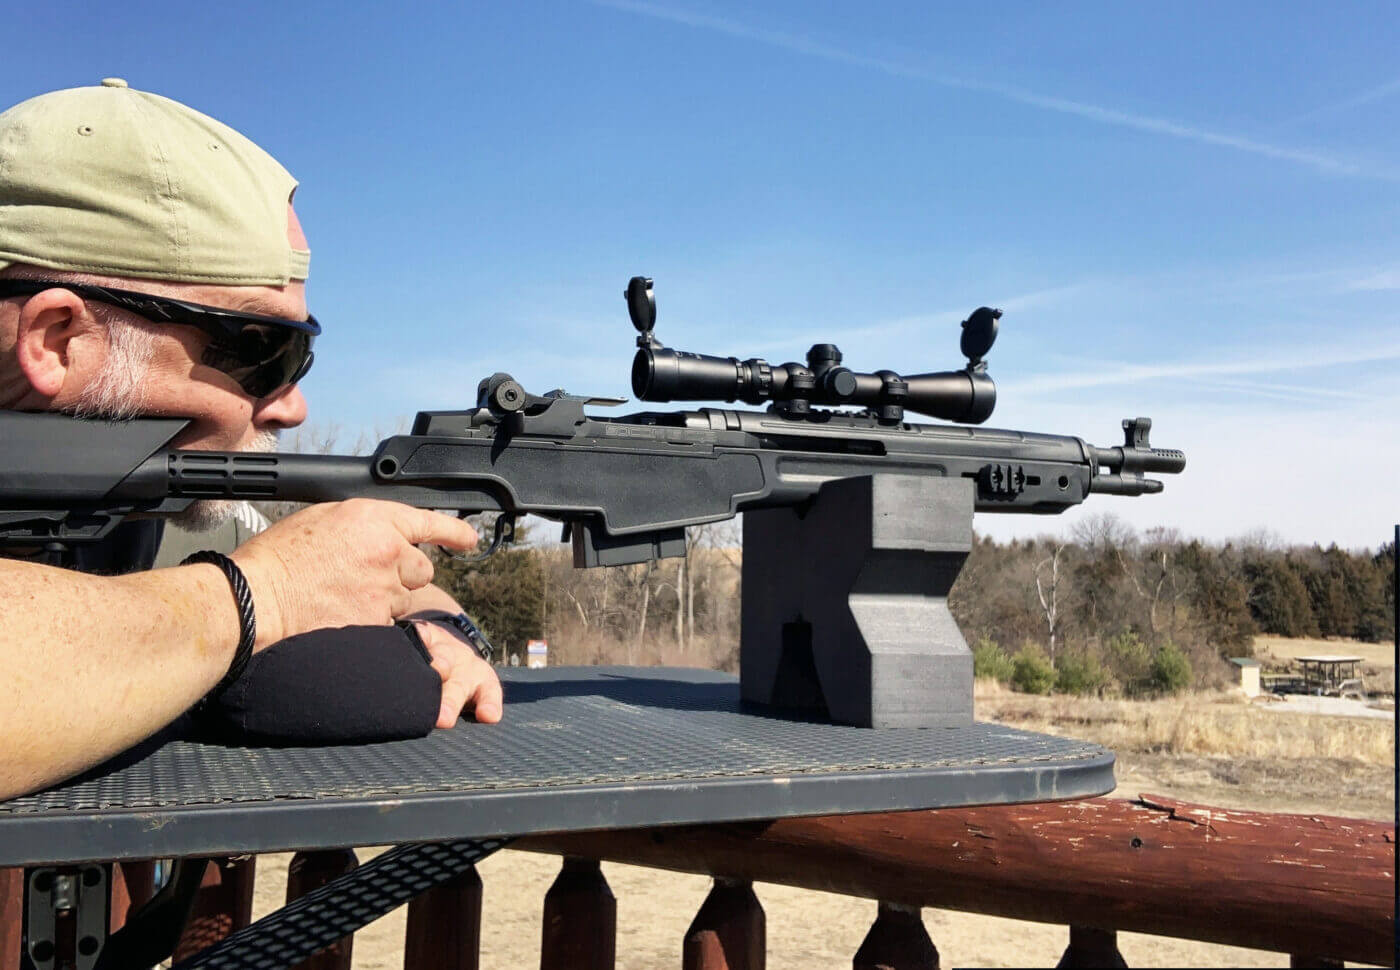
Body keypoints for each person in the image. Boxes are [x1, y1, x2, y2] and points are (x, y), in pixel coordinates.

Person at [0, 79, 503, 801]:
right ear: (58, 339)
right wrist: (263, 594)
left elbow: (366, 586)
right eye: (262, 349)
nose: (292, 405)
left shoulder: (133, 496)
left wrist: (437, 622)